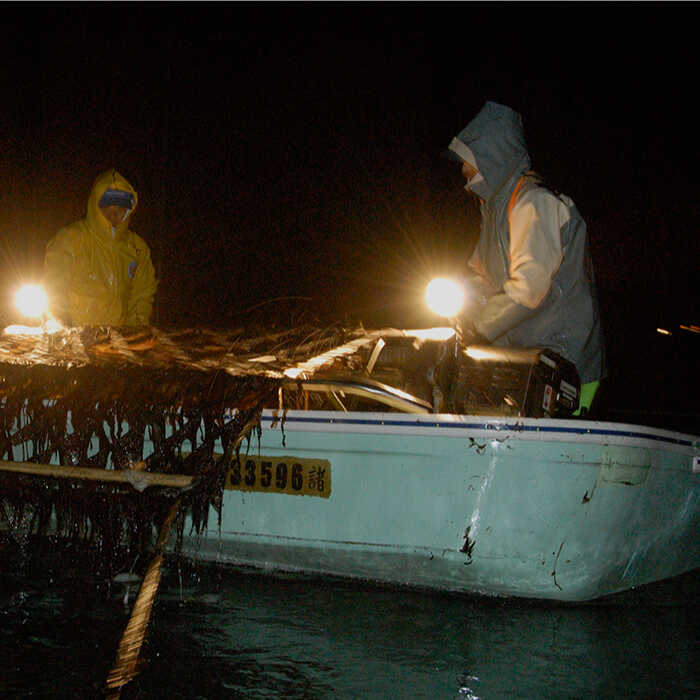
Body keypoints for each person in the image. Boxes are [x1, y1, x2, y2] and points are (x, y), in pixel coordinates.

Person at [445, 101, 605, 415]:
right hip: (525, 362)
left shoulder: (534, 202)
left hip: (565, 364)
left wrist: (479, 326)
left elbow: (529, 287)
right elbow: (480, 275)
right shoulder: (494, 211)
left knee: (563, 449)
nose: (463, 170)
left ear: (493, 155)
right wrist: (460, 311)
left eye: (468, 160)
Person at [44, 169, 157, 327]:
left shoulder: (137, 248)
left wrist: (134, 330)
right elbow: (54, 285)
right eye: (107, 205)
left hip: (118, 340)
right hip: (74, 337)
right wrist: (61, 327)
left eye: (121, 207)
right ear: (95, 204)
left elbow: (142, 295)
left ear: (129, 209)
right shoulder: (72, 238)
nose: (114, 213)